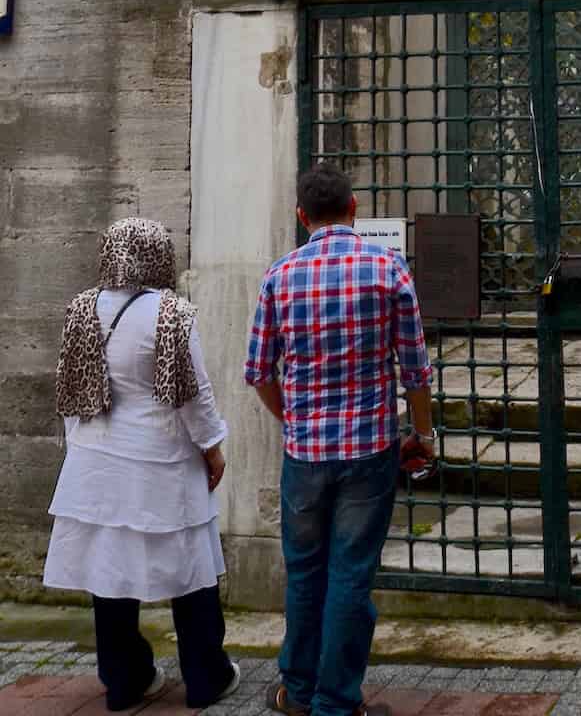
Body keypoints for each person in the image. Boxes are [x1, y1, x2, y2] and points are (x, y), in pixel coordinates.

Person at [245, 165, 436, 716]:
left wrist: (294, 420)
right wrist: (422, 435)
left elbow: (258, 372)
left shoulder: (280, 276)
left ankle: (297, 691)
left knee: (304, 571)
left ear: (302, 216)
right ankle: (335, 700)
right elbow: (416, 371)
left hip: (305, 454)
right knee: (351, 573)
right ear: (354, 208)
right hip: (369, 450)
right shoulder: (387, 268)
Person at [45, 217, 239, 711]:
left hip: (97, 461)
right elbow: (193, 395)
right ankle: (204, 677)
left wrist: (82, 452)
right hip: (160, 460)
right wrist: (212, 447)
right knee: (190, 570)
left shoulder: (80, 310)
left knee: (110, 575)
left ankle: (125, 681)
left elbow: (70, 392)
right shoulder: (172, 313)